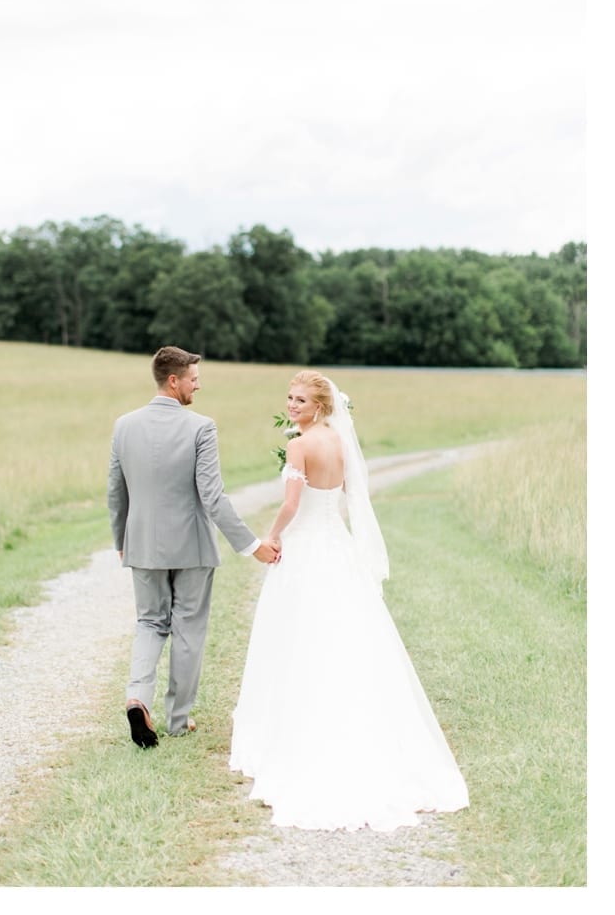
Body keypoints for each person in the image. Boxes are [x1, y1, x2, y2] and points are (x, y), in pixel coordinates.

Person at [228, 370, 469, 830]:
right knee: (343, 629)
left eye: (300, 400)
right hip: (335, 545)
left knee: (294, 634)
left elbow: (291, 505)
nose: (292, 405)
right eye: (289, 398)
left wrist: (271, 537)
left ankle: (296, 730)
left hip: (304, 546)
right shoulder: (338, 441)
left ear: (320, 406)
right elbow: (343, 496)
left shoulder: (300, 446)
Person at [107, 347, 279, 748]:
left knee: (150, 623)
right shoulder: (201, 427)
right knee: (188, 628)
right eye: (193, 378)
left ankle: (137, 697)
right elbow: (213, 497)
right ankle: (178, 720)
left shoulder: (124, 426)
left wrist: (122, 541)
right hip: (192, 547)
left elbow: (116, 493)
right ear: (174, 380)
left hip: (143, 545)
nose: (197, 385)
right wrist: (251, 544)